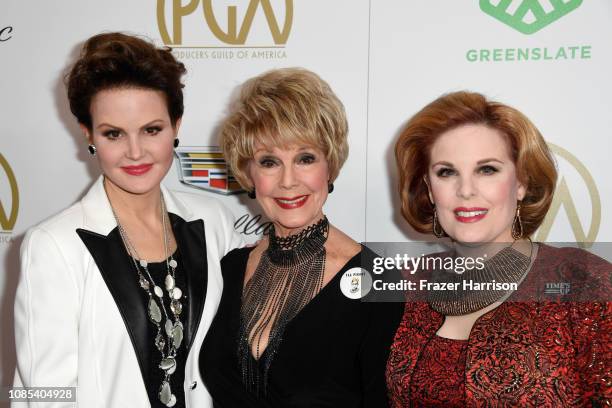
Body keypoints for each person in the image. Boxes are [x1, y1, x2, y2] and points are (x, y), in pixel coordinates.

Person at [13, 32, 242, 408]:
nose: (135, 153)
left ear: (176, 125)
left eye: (152, 130)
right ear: (88, 134)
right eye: (113, 134)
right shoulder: (54, 246)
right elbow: (42, 393)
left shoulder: (213, 221)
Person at [386, 91, 611, 406]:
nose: (466, 191)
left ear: (520, 182)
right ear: (429, 188)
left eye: (487, 169)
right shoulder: (409, 284)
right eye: (446, 172)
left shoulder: (584, 282)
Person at [199, 68, 403, 407]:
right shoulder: (227, 269)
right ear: (248, 172)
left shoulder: (375, 279)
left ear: (330, 165)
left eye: (305, 158)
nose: (288, 181)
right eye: (269, 162)